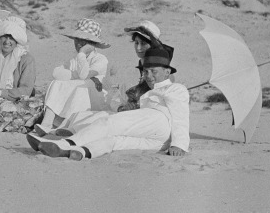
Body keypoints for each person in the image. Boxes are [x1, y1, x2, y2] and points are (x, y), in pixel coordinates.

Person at [26, 46, 189, 160]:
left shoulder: (176, 89)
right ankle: (81, 152)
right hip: (159, 141)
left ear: (167, 72)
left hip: (160, 122)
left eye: (154, 71)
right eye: (146, 71)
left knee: (109, 122)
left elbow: (181, 117)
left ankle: (64, 144)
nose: (149, 76)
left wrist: (180, 144)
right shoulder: (148, 91)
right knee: (115, 141)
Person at [34, 18, 111, 136]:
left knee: (83, 85)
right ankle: (47, 123)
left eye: (84, 41)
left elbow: (84, 75)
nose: (79, 44)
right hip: (77, 99)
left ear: (92, 44)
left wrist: (82, 54)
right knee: (57, 83)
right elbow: (56, 73)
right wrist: (76, 75)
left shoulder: (100, 59)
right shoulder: (74, 60)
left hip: (95, 99)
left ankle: (66, 126)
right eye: (77, 39)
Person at [0, 16, 36, 108]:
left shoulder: (26, 60)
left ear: (17, 40)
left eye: (11, 37)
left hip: (18, 106)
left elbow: (26, 90)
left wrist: (0, 92)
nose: (7, 41)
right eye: (5, 36)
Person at [117, 20, 174, 112]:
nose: (138, 48)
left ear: (153, 45)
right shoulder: (132, 71)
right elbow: (120, 100)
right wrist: (124, 107)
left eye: (143, 43)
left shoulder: (163, 72)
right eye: (136, 43)